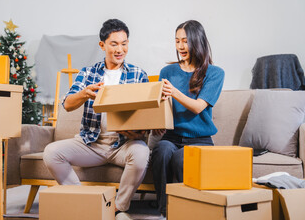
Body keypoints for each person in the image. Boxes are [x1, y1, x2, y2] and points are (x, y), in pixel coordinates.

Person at [43, 19, 150, 220]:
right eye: (114, 44)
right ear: (102, 45)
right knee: (51, 153)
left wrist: (139, 132)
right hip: (91, 143)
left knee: (142, 152)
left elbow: (146, 114)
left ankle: (118, 208)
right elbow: (67, 104)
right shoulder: (88, 73)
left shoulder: (138, 74)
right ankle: (85, 201)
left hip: (123, 145)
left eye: (124, 43)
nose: (120, 49)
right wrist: (84, 93)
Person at [151, 20, 225, 218]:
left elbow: (198, 107)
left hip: (200, 140)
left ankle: (190, 210)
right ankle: (165, 211)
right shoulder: (167, 72)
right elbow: (160, 105)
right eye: (177, 41)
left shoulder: (214, 73)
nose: (180, 46)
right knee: (162, 151)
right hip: (172, 137)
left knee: (181, 158)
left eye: (185, 41)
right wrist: (157, 124)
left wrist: (174, 91)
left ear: (197, 41)